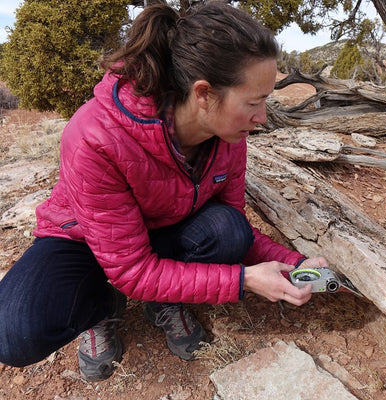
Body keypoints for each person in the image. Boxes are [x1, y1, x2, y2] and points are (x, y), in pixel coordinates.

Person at [0, 1, 327, 381]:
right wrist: (244, 280)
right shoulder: (96, 135)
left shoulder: (229, 139)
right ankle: (101, 307)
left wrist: (295, 262)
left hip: (161, 230)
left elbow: (236, 224)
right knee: (14, 333)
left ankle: (165, 298)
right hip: (84, 239)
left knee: (228, 231)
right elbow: (130, 267)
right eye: (254, 102)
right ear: (204, 93)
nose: (262, 117)